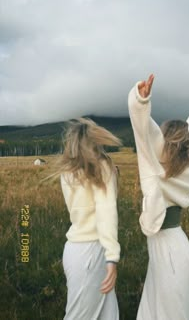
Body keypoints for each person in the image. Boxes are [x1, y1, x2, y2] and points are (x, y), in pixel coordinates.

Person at [128, 74, 189, 320]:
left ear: (164, 141)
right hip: (175, 252)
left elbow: (142, 129)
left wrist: (140, 101)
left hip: (170, 258)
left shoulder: (157, 165)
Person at [58, 117, 121, 320]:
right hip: (92, 252)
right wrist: (112, 256)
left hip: (75, 250)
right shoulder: (102, 168)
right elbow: (106, 211)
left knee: (108, 315)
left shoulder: (67, 172)